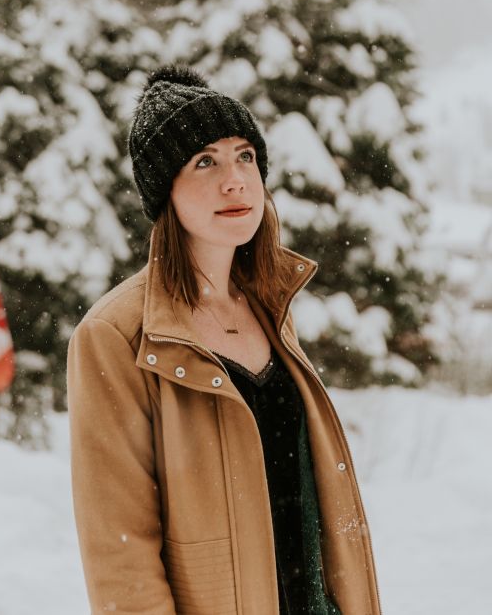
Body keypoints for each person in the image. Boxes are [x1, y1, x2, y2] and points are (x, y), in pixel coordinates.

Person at [67, 63, 382, 615]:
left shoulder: (271, 306)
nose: (235, 179)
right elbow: (121, 557)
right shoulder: (115, 335)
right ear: (165, 189)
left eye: (245, 156)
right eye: (204, 161)